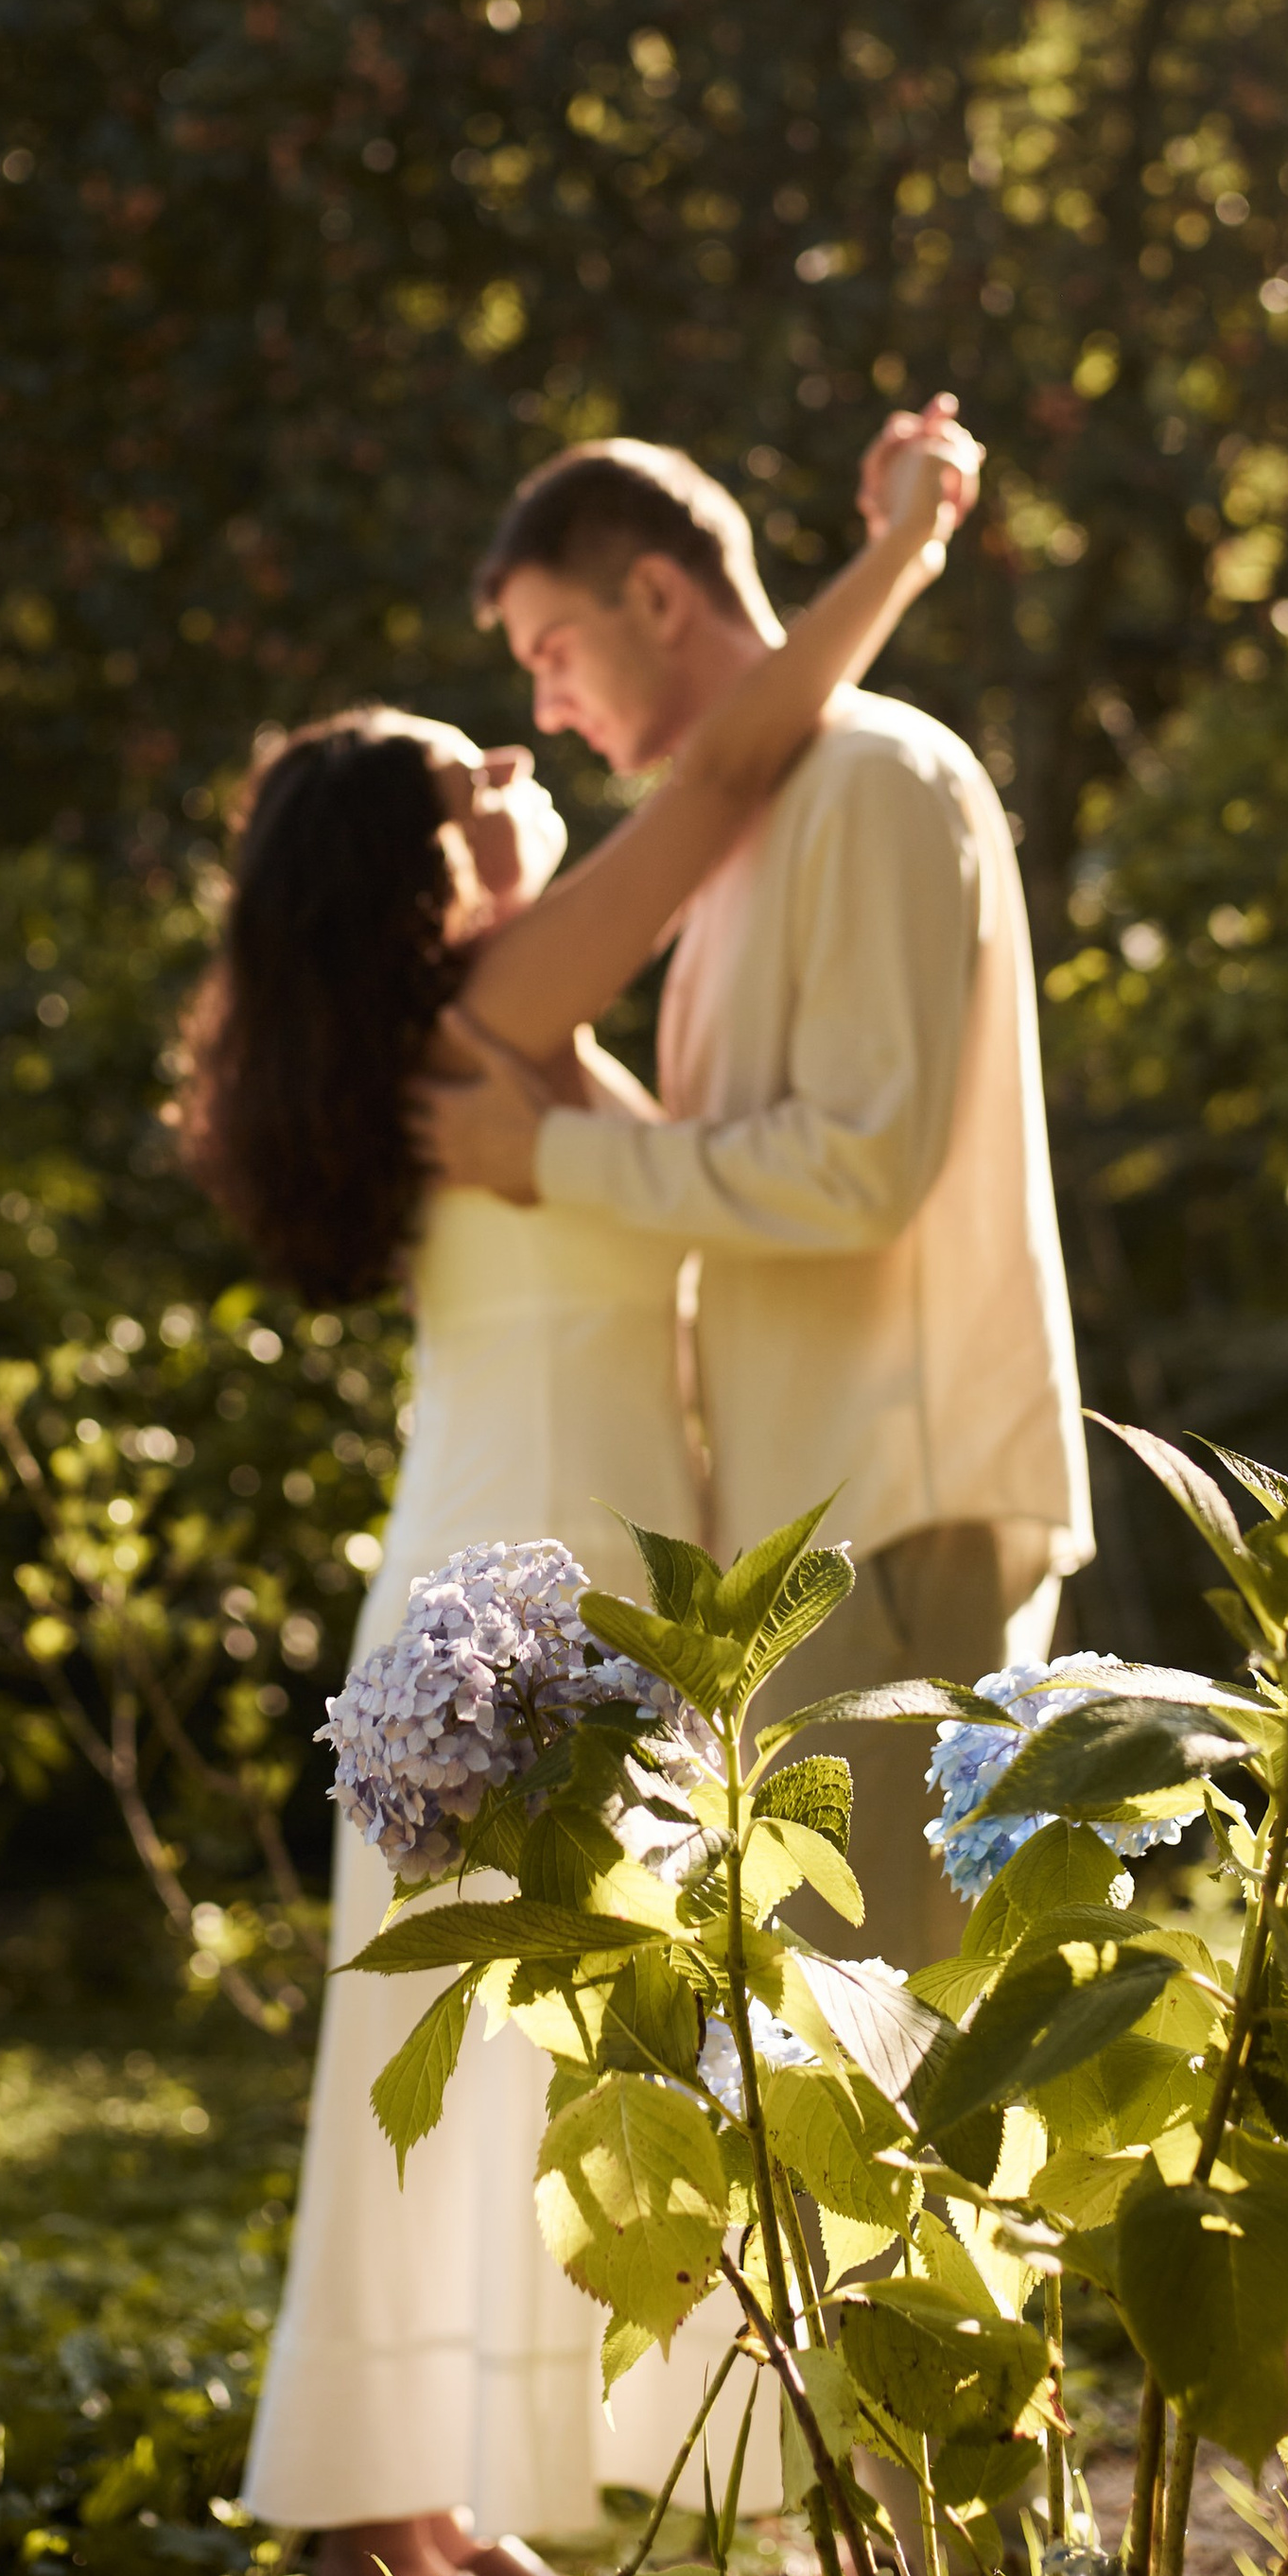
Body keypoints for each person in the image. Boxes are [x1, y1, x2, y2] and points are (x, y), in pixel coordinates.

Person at [180, 413, 978, 2576]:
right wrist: (897, 556)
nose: (533, 771)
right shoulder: (494, 1008)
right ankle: (369, 2528)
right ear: (426, 873)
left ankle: (437, 2516)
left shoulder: (508, 1024)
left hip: (533, 1564)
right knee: (457, 2045)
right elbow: (719, 786)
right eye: (480, 777)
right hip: (502, 1593)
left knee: (533, 2044)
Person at [418, 424, 1091, 1979]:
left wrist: (549, 1162)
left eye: (553, 648)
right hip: (814, 1530)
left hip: (901, 1508)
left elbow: (856, 1170)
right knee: (822, 2085)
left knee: (910, 2060)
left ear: (658, 596)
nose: (543, 705)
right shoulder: (741, 838)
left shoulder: (872, 780)